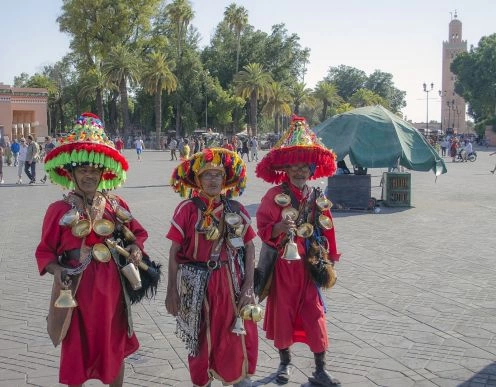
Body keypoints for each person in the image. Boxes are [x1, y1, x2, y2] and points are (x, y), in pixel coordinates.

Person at [35, 113, 149, 386]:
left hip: (112, 294)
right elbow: (45, 252)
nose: (89, 175)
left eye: (94, 170)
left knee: (115, 346)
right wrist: (57, 269)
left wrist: (135, 247)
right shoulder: (58, 210)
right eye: (83, 170)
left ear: (103, 172)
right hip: (75, 291)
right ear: (71, 172)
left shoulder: (115, 205)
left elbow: (139, 234)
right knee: (76, 349)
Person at [255, 115, 341, 387]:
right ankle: (284, 362)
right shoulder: (273, 196)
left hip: (310, 267)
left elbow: (328, 230)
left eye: (304, 167)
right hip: (283, 267)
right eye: (294, 167)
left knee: (315, 315)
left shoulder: (317, 197)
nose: (299, 172)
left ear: (311, 170)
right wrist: (280, 226)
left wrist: (330, 259)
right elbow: (262, 227)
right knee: (283, 315)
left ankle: (320, 369)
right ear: (286, 169)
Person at [166, 148, 258, 387]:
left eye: (218, 174)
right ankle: (202, 381)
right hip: (196, 285)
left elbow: (249, 247)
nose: (214, 179)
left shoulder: (236, 209)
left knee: (234, 332)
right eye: (208, 175)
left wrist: (249, 285)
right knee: (199, 338)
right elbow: (174, 253)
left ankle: (239, 378)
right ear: (198, 180)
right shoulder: (186, 209)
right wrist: (171, 291)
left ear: (225, 179)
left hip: (231, 282)